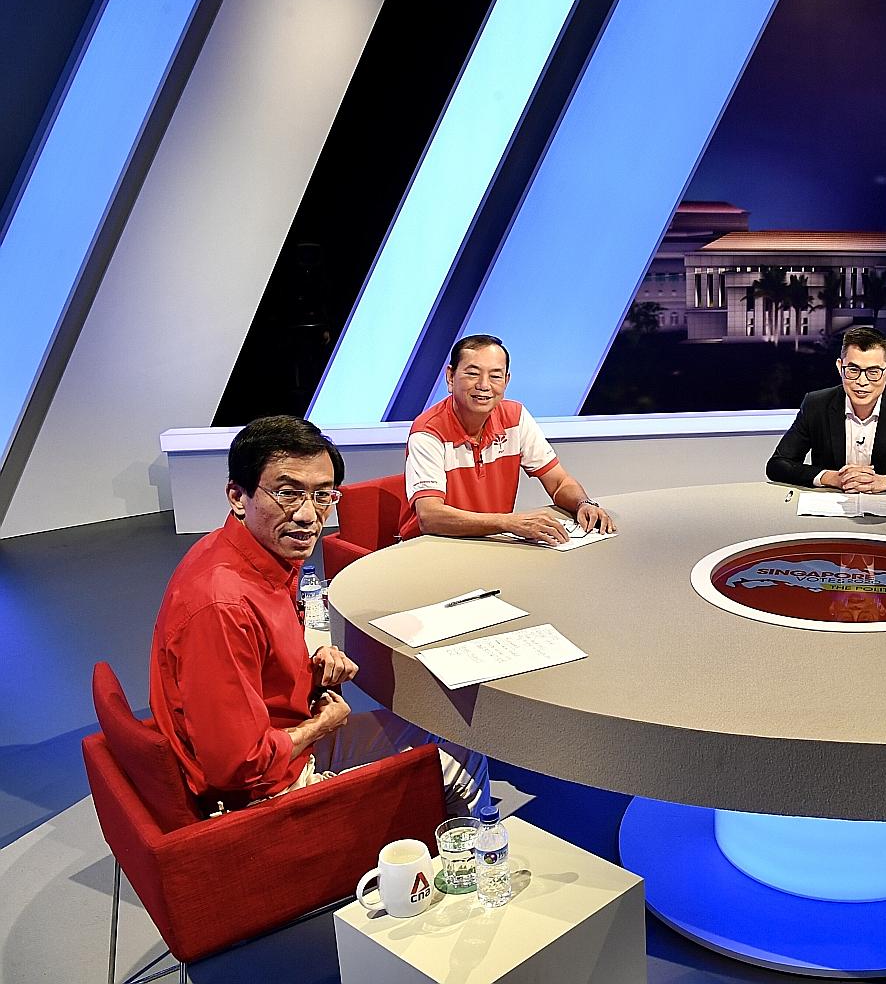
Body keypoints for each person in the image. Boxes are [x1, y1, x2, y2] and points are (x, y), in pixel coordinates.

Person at [149, 415, 486, 814]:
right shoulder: (222, 604)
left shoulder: (240, 553)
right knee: (464, 760)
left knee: (452, 739)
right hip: (265, 789)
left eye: (323, 495)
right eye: (288, 494)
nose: (309, 515)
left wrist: (309, 668)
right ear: (238, 496)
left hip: (279, 739)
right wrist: (321, 725)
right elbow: (238, 766)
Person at [400, 333, 616, 544]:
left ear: (506, 381)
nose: (484, 385)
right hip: (432, 546)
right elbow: (430, 517)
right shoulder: (428, 431)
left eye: (495, 376)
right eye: (472, 374)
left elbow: (559, 482)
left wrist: (583, 503)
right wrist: (508, 522)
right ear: (450, 377)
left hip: (492, 543)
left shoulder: (515, 417)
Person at [767, 325, 886, 493]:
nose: (862, 381)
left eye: (873, 372)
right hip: (830, 506)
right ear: (840, 367)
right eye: (853, 370)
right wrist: (831, 478)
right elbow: (777, 464)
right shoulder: (816, 404)